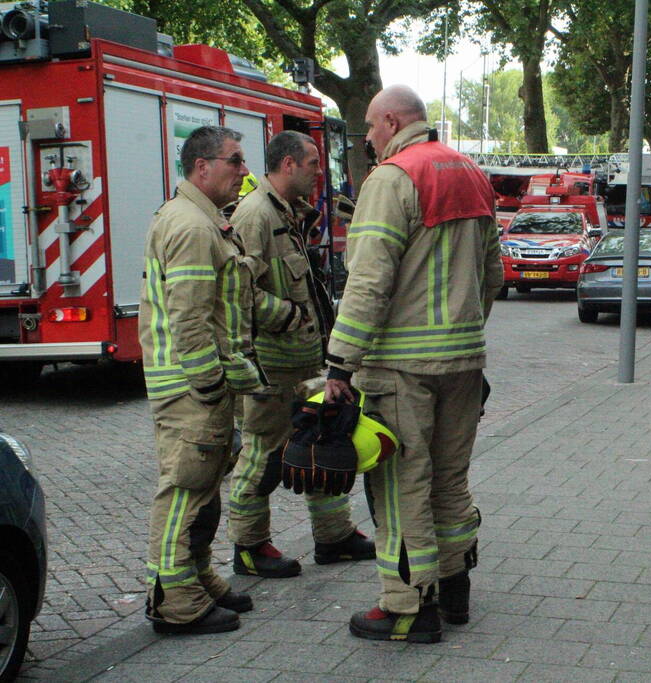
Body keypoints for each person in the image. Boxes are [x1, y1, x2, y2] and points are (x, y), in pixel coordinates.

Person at [321, 85, 503, 643]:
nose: (368, 140)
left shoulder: (392, 179)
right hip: (463, 362)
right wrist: (464, 334)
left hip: (401, 366)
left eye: (370, 129)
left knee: (401, 485)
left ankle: (406, 607)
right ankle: (454, 590)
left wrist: (339, 367)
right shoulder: (472, 173)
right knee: (451, 481)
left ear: (392, 121)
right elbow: (493, 273)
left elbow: (369, 283)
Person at [227, 131, 374, 579]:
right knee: (262, 454)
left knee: (326, 439)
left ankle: (334, 536)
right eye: (312, 162)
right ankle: (249, 547)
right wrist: (289, 316)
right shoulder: (254, 217)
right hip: (272, 369)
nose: (318, 171)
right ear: (288, 164)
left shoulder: (287, 214)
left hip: (304, 363)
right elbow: (239, 294)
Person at [139, 126, 266, 634]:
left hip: (200, 385)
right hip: (192, 389)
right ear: (202, 167)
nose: (243, 171)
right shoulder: (192, 226)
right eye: (235, 161)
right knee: (185, 488)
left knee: (205, 486)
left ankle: (195, 576)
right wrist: (210, 386)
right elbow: (190, 319)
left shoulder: (203, 220)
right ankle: (175, 602)